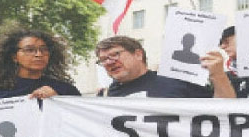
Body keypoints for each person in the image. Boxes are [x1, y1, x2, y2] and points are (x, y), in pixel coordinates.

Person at [96, 36, 235, 98]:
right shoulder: (105, 97)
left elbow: (226, 113)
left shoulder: (177, 81)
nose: (109, 62)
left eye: (115, 55)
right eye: (103, 60)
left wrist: (218, 75)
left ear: (138, 54)